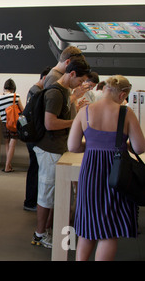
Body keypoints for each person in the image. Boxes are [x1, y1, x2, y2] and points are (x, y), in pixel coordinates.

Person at [68, 75, 145, 261]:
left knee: (87, 227)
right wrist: (120, 145)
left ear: (104, 90)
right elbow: (140, 147)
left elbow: (73, 146)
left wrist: (94, 145)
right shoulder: (126, 113)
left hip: (91, 171)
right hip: (116, 171)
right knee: (109, 230)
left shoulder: (85, 111)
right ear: (122, 95)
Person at [31, 57, 91, 249]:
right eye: (80, 81)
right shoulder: (56, 93)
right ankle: (40, 234)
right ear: (72, 74)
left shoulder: (63, 92)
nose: (80, 84)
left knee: (53, 194)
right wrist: (76, 121)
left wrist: (74, 98)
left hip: (56, 148)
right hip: (50, 150)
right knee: (46, 195)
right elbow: (51, 123)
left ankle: (46, 231)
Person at [23, 67, 51, 212]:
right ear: (45, 78)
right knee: (35, 169)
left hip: (32, 135)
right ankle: (30, 201)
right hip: (34, 137)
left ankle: (31, 200)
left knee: (35, 168)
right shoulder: (37, 92)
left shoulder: (34, 90)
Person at [43, 46, 91, 116]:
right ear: (68, 62)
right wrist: (75, 96)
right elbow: (52, 107)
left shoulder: (61, 76)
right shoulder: (54, 77)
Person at [0, 78, 24, 173]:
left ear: (4, 87)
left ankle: (8, 164)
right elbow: (23, 110)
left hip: (4, 123)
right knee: (12, 145)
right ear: (13, 88)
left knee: (7, 143)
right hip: (14, 123)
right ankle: (7, 166)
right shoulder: (16, 96)